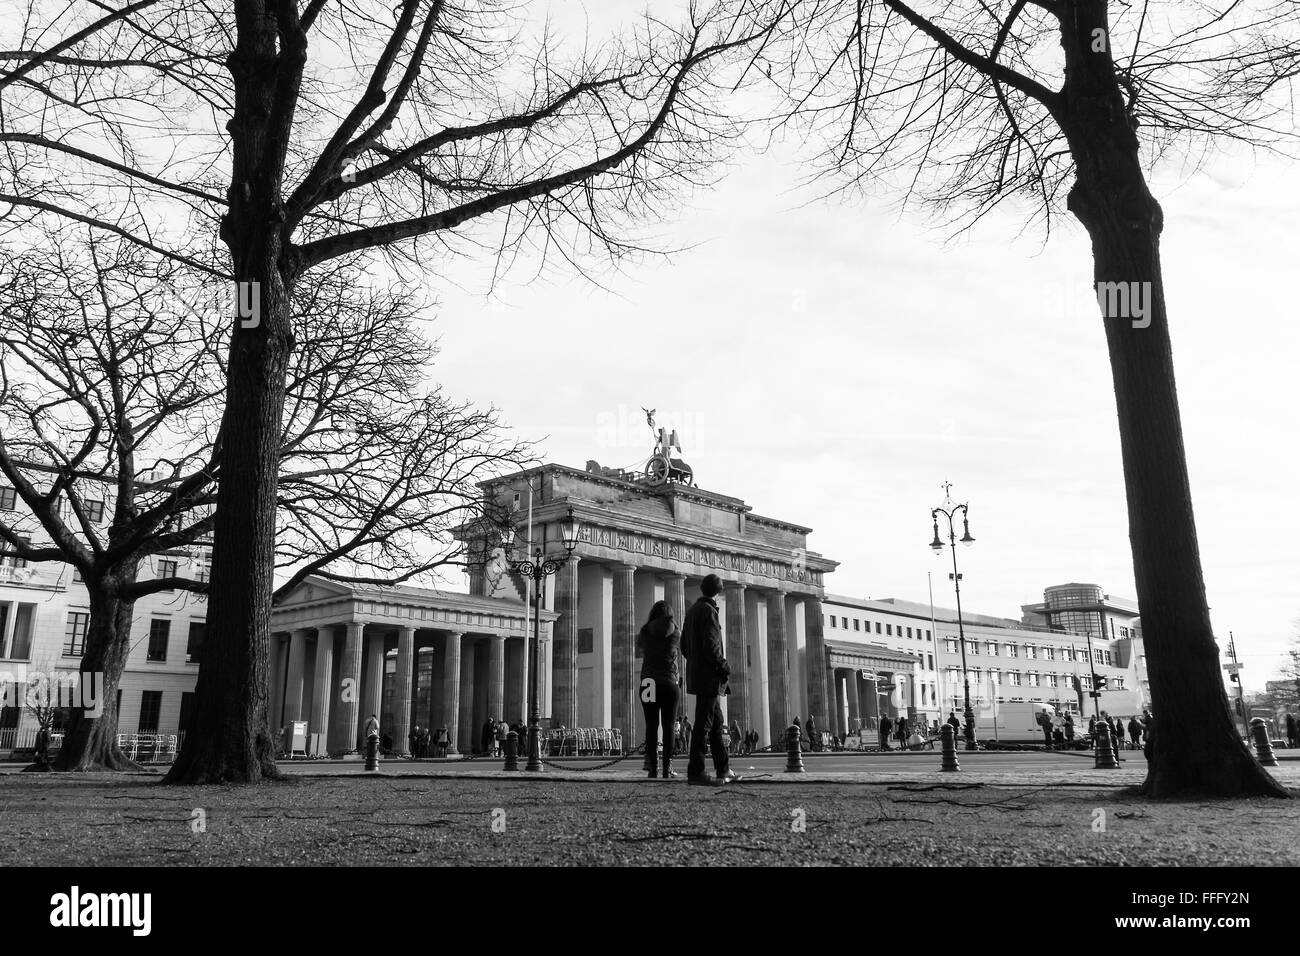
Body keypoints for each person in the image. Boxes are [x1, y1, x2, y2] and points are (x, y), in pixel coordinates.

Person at [680, 574, 738, 786]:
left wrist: (695, 662)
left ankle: (723, 769)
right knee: (703, 725)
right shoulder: (709, 612)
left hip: (698, 675)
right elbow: (712, 646)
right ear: (718, 591)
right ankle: (696, 772)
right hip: (710, 678)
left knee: (716, 725)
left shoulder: (692, 611)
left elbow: (684, 646)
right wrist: (723, 666)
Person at [637, 599, 682, 779]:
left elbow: (640, 646)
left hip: (649, 682)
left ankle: (651, 766)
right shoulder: (675, 632)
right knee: (669, 726)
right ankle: (667, 767)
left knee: (651, 725)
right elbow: (681, 641)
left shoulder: (645, 631)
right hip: (669, 682)